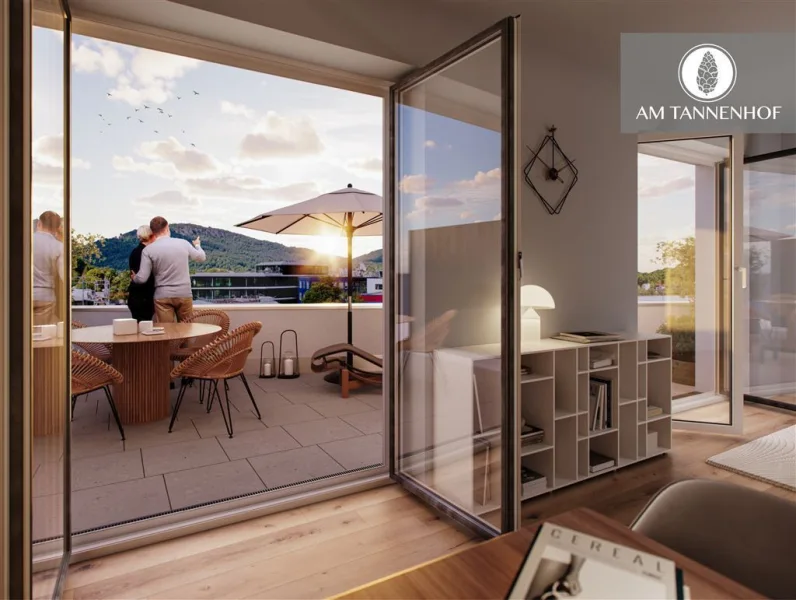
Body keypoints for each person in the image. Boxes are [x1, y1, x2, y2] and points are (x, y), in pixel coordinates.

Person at [132, 216, 205, 323]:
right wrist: (197, 246)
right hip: (184, 294)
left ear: (153, 231)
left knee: (166, 332)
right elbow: (201, 257)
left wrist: (135, 278)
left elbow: (142, 278)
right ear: (167, 227)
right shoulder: (183, 243)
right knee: (187, 330)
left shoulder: (148, 250)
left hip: (162, 296)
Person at [32, 211, 64, 325]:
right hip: (45, 296)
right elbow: (64, 277)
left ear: (39, 223)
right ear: (57, 228)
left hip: (22, 294)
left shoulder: (24, 241)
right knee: (42, 335)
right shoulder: (59, 246)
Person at [126, 225, 156, 322]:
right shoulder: (147, 253)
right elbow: (146, 277)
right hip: (144, 297)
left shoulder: (134, 252)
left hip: (135, 296)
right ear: (151, 236)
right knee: (145, 328)